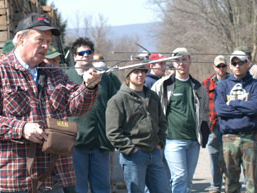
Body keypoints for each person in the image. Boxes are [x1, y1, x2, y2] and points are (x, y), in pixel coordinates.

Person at [0, 13, 101, 193]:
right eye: (39, 39)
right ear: (20, 39)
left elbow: (76, 107)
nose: (45, 46)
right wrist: (21, 128)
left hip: (53, 175)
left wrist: (88, 87)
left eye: (48, 41)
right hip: (14, 179)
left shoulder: (55, 73)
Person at [151, 47, 210, 193]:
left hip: (193, 141)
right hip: (172, 140)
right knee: (179, 176)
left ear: (189, 61)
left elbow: (205, 110)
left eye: (184, 59)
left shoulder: (198, 86)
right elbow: (150, 109)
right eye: (177, 60)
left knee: (188, 179)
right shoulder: (162, 85)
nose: (181, 63)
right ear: (173, 63)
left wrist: (204, 131)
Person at [106, 61, 170, 193]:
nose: (140, 74)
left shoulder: (153, 96)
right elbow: (112, 132)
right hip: (133, 156)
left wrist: (160, 142)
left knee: (164, 190)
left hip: (154, 152)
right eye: (136, 72)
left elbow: (162, 123)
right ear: (128, 75)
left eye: (143, 71)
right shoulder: (118, 99)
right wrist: (131, 148)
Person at [66, 37, 117, 193]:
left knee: (102, 188)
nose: (86, 55)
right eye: (81, 53)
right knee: (78, 188)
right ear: (74, 56)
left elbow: (115, 104)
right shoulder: (65, 76)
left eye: (89, 52)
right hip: (75, 144)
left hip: (100, 142)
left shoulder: (103, 77)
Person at [215, 50, 257, 193]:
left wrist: (233, 103)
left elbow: (254, 108)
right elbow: (220, 110)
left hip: (250, 138)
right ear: (230, 66)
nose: (237, 65)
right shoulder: (222, 85)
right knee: (230, 182)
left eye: (241, 62)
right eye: (234, 63)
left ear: (248, 63)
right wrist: (244, 108)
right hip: (229, 138)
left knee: (253, 182)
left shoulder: (255, 85)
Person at [202, 55, 229, 193]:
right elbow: (201, 106)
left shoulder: (234, 81)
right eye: (219, 66)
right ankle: (215, 186)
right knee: (214, 157)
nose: (221, 68)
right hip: (213, 125)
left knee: (229, 157)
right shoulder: (206, 83)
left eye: (223, 66)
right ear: (214, 67)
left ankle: (230, 184)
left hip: (230, 125)